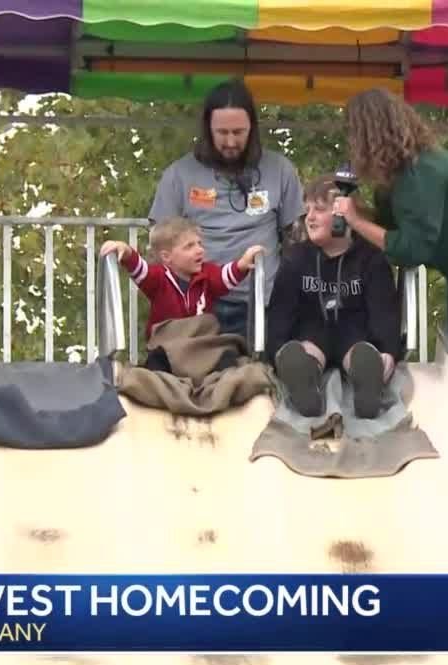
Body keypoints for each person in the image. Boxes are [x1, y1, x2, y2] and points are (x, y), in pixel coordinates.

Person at [331, 88, 448, 414]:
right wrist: (361, 212)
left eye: (353, 134)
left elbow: (412, 248)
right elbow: (394, 228)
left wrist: (354, 219)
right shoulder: (403, 174)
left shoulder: (422, 174)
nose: (352, 145)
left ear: (369, 134)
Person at [148, 79, 303, 339]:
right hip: (198, 309)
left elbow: (297, 243)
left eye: (239, 132)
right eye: (222, 132)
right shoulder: (178, 175)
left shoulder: (281, 170)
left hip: (262, 304)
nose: (230, 141)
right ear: (207, 129)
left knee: (258, 378)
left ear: (252, 128)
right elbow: (159, 247)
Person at [266, 175, 403, 420]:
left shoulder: (370, 258)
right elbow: (281, 311)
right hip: (311, 330)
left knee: (362, 352)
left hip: (355, 332)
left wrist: (388, 351)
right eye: (307, 210)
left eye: (319, 210)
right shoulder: (297, 258)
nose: (310, 217)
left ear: (344, 215)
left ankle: (367, 387)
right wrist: (277, 351)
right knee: (302, 351)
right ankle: (303, 383)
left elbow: (385, 310)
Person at [101, 217, 263, 372]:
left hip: (202, 345)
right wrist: (126, 250)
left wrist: (242, 264)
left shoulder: (208, 273)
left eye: (200, 244)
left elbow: (225, 277)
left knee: (228, 358)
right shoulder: (157, 278)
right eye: (189, 246)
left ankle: (229, 388)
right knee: (155, 364)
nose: (199, 250)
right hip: (169, 345)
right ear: (167, 256)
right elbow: (138, 267)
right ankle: (159, 393)